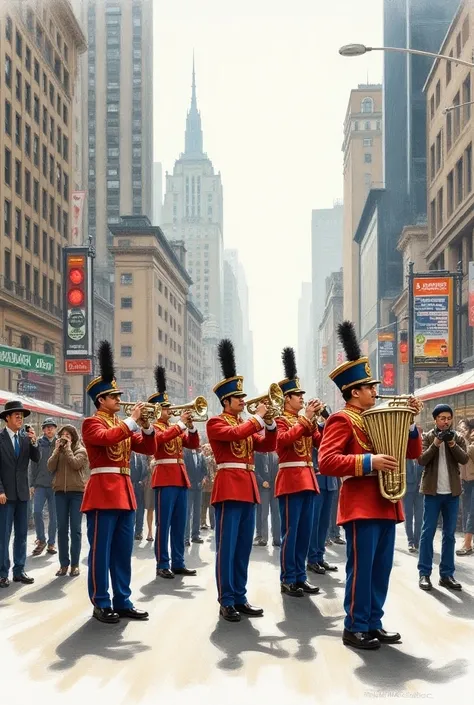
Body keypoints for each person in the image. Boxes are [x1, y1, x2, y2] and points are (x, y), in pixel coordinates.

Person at [318, 321, 422, 651]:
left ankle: (373, 622)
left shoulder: (375, 416)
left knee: (380, 569)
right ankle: (355, 625)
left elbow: (411, 453)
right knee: (362, 570)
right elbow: (327, 461)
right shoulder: (341, 419)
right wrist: (367, 462)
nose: (374, 391)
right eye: (369, 387)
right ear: (354, 392)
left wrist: (410, 422)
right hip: (361, 503)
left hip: (385, 502)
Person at [81, 340, 156, 624]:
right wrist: (133, 421)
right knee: (101, 553)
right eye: (114, 396)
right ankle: (101, 601)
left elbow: (148, 449)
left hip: (124, 493)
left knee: (123, 553)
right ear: (101, 399)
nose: (119, 399)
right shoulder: (93, 423)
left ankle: (122, 600)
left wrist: (147, 427)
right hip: (102, 493)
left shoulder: (122, 426)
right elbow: (104, 439)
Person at [207, 339, 277, 622]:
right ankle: (226, 599)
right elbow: (236, 436)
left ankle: (240, 595)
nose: (244, 402)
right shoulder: (216, 422)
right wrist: (259, 419)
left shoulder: (245, 424)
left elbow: (266, 445)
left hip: (247, 488)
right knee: (227, 548)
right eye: (239, 399)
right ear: (226, 402)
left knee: (243, 547)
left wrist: (270, 424)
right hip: (228, 487)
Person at [275, 347, 323, 597]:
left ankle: (301, 576)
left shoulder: (304, 420)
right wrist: (305, 420)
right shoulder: (281, 420)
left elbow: (320, 441)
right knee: (291, 532)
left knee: (305, 531)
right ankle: (288, 577)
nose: (302, 398)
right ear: (287, 399)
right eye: (297, 395)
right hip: (291, 479)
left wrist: (318, 419)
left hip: (307, 479)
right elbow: (282, 441)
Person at [149, 365, 200, 579]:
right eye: (166, 408)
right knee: (164, 523)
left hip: (180, 477)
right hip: (164, 477)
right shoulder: (154, 427)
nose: (170, 411)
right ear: (156, 410)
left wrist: (191, 426)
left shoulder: (174, 427)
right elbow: (159, 441)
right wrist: (179, 425)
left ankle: (178, 561)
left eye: (169, 408)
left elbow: (192, 443)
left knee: (181, 523)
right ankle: (162, 563)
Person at [417, 404, 468, 591]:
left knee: (449, 535)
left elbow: (464, 459)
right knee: (427, 533)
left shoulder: (458, 437)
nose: (445, 422)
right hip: (432, 493)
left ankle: (447, 575)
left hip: (452, 494)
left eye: (448, 418)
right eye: (442, 418)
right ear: (435, 420)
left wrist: (452, 444)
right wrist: (436, 443)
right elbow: (421, 459)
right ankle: (424, 573)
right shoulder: (428, 437)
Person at [0, 400, 40, 587]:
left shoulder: (25, 439)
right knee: (3, 535)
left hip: (23, 494)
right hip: (5, 496)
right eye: (16, 415)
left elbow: (36, 458)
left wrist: (33, 441)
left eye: (21, 415)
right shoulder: (0, 439)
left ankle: (19, 570)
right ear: (7, 417)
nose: (19, 418)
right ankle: (2, 572)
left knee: (22, 534)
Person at [47, 424, 88, 576]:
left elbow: (76, 465)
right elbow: (50, 466)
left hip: (77, 494)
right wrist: (57, 450)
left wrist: (69, 448)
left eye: (68, 435)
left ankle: (75, 565)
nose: (65, 437)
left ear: (73, 437)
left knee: (75, 529)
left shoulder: (81, 450)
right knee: (62, 529)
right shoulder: (58, 451)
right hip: (60, 494)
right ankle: (64, 564)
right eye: (63, 435)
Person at [308, 445, 339, 574]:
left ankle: (320, 556)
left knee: (324, 524)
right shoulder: (316, 431)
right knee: (314, 523)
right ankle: (312, 559)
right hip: (317, 480)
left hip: (330, 482)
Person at [29, 417, 58, 557]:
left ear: (55, 429)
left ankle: (51, 542)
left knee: (54, 516)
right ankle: (41, 540)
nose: (49, 429)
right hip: (40, 485)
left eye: (51, 427)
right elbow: (32, 465)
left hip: (55, 486)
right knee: (37, 512)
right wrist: (31, 484)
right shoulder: (38, 444)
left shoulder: (60, 443)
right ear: (43, 430)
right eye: (46, 427)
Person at [457, 421, 474, 556]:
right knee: (467, 510)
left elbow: (467, 455)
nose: (461, 431)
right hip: (465, 481)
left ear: (470, 430)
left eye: (464, 429)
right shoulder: (462, 442)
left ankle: (467, 544)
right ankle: (466, 541)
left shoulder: (471, 444)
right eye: (460, 429)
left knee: (471, 512)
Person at [184, 446, 207, 545]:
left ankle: (195, 535)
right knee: (187, 513)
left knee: (197, 511)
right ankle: (185, 537)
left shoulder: (201, 455)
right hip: (189, 487)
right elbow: (184, 470)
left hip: (199, 487)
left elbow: (204, 470)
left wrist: (204, 478)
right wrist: (188, 481)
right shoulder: (185, 454)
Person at [403, 456, 423, 553]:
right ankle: (410, 541)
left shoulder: (423, 455)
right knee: (408, 516)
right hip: (407, 490)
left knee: (419, 517)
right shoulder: (404, 456)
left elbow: (426, 470)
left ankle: (417, 541)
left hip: (420, 491)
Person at [131, 451, 147, 541]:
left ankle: (139, 532)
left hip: (140, 487)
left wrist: (143, 481)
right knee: (131, 510)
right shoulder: (128, 454)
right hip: (130, 485)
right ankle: (130, 530)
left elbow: (145, 471)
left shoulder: (143, 455)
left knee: (140, 510)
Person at [200, 444, 216, 530]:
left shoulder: (212, 460)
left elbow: (215, 470)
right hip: (204, 485)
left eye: (208, 449)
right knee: (204, 505)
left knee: (210, 506)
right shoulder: (202, 459)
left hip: (210, 485)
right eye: (205, 449)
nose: (206, 451)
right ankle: (203, 523)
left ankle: (212, 523)